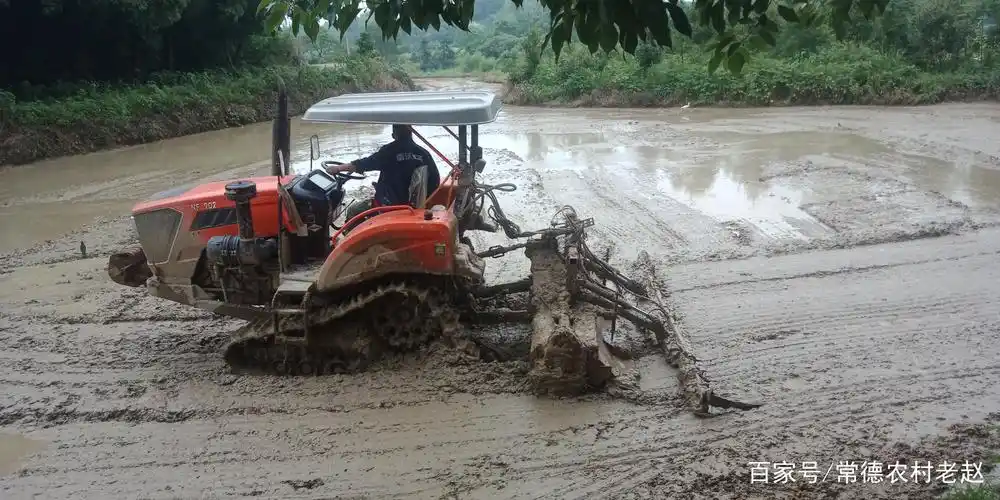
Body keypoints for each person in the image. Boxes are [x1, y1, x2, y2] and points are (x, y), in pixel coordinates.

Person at [326, 124, 440, 221]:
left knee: (353, 210)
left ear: (394, 134)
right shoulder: (424, 154)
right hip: (414, 207)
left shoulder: (389, 151)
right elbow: (435, 180)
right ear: (411, 133)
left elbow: (364, 164)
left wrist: (338, 168)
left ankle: (351, 242)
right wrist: (420, 201)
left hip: (389, 206)